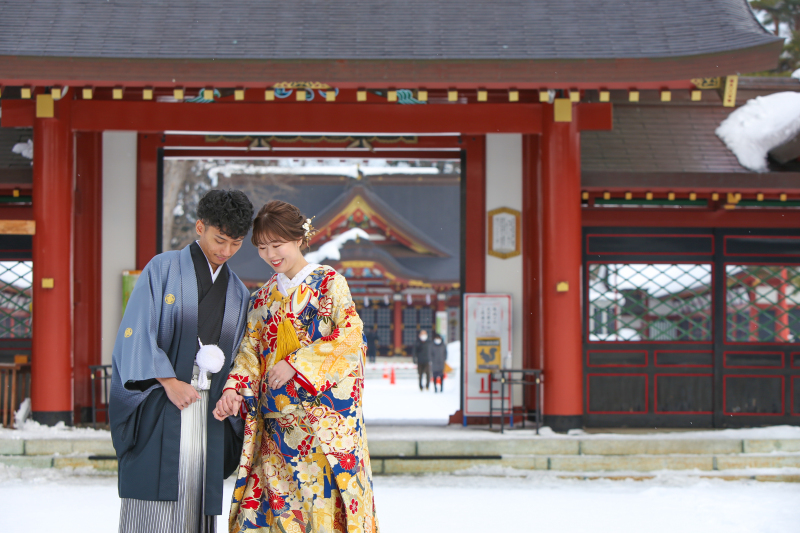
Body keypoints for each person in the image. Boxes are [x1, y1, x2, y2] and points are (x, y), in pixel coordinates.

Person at [213, 200, 379, 533]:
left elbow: (351, 338)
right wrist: (232, 388)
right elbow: (249, 353)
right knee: (268, 516)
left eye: (277, 245)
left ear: (299, 239)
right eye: (262, 247)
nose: (270, 254)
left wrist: (296, 364)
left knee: (320, 513)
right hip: (275, 431)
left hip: (321, 430)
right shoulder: (261, 299)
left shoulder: (329, 284)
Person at [109, 189, 254, 533]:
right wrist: (169, 381)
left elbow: (240, 357)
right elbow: (135, 333)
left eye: (236, 244)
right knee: (153, 500)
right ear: (199, 227)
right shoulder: (162, 269)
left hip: (209, 411)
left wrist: (233, 392)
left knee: (195, 497)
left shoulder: (238, 292)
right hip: (159, 401)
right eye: (220, 240)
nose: (226, 251)